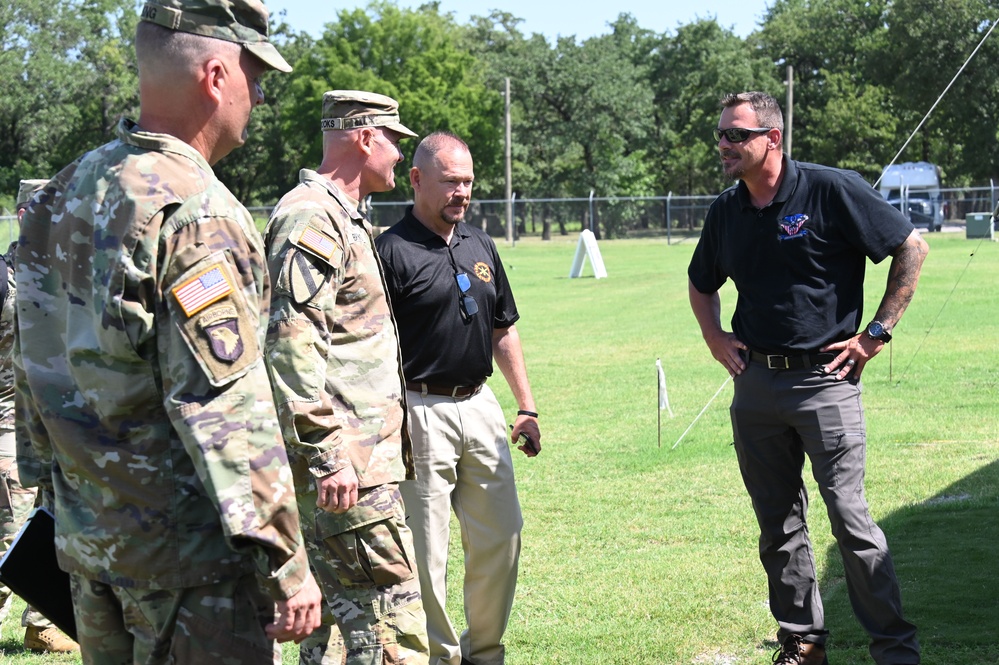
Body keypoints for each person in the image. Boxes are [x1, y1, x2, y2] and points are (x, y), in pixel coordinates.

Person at [13, 1, 323, 661]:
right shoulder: (197, 213)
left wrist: (54, 498)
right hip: (189, 570)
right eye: (254, 74)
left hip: (92, 549)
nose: (260, 96)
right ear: (215, 74)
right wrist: (286, 559)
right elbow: (225, 410)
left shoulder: (63, 193)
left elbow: (31, 365)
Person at [687, 91, 927, 665]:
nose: (723, 145)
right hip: (757, 387)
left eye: (735, 135)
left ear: (772, 138)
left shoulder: (829, 188)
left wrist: (876, 333)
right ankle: (803, 640)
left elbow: (910, 248)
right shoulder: (726, 209)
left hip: (827, 381)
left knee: (851, 521)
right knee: (777, 523)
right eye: (720, 135)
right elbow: (701, 282)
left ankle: (894, 649)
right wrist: (715, 338)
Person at [262, 90, 429, 665]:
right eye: (392, 140)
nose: (396, 156)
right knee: (390, 623)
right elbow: (291, 343)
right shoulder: (313, 216)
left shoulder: (341, 214)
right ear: (364, 138)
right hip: (346, 466)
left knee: (332, 632)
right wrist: (327, 450)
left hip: (353, 463)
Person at [375, 131, 542, 665]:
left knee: (503, 535)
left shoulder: (478, 242)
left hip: (481, 405)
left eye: (468, 181)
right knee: (428, 551)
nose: (461, 192)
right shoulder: (389, 250)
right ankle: (440, 656)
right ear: (417, 179)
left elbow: (503, 327)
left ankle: (484, 652)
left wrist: (526, 405)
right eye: (450, 181)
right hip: (418, 408)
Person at [0, 179, 79, 654]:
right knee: (14, 528)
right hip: (9, 426)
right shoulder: (5, 277)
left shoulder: (70, 274)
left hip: (61, 426)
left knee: (47, 521)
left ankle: (40, 622)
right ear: (27, 212)